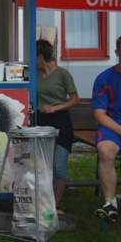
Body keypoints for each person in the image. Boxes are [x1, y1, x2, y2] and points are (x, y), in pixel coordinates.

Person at [35, 39, 79, 210]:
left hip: (60, 121)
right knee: (41, 166)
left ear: (40, 57)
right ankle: (41, 202)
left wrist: (55, 108)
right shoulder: (34, 74)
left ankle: (53, 206)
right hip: (41, 121)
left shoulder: (62, 74)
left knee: (59, 167)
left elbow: (75, 100)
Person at [92, 33, 121, 223]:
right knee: (105, 150)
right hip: (114, 126)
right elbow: (99, 114)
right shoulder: (104, 78)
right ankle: (110, 204)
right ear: (117, 53)